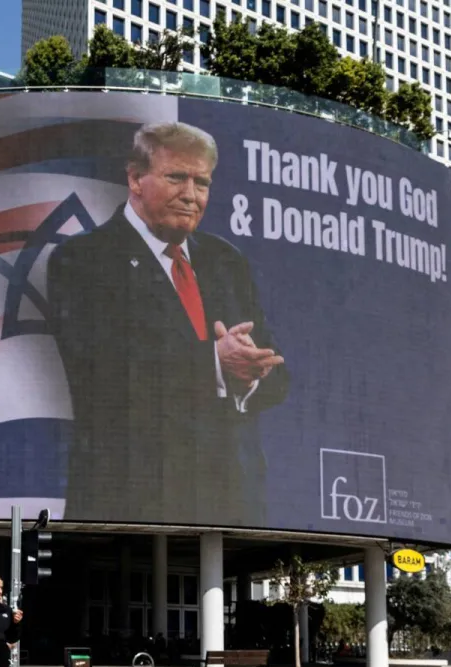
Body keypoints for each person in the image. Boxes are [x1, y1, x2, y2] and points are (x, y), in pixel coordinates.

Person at [45, 121, 290, 527]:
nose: (191, 196)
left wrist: (248, 376)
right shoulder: (83, 259)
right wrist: (215, 361)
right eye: (177, 177)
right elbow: (105, 374)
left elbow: (278, 376)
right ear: (135, 178)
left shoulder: (226, 262)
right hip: (129, 506)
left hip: (230, 507)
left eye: (202, 182)